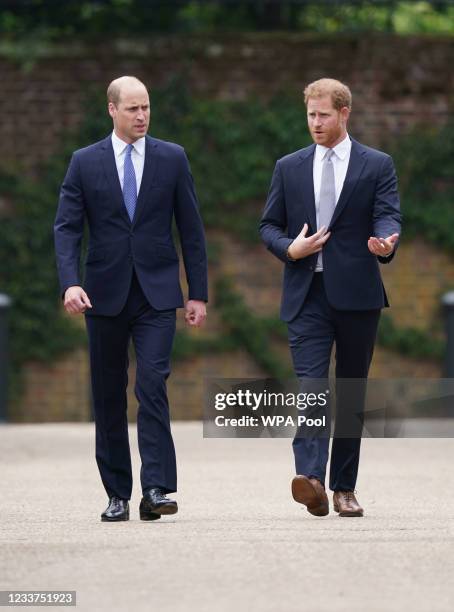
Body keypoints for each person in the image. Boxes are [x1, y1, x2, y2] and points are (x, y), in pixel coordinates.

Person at [54, 76, 208, 522]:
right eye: (133, 108)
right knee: (107, 393)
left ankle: (156, 488)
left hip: (158, 293)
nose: (142, 116)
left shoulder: (172, 158)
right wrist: (69, 282)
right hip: (101, 294)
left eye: (146, 108)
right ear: (112, 110)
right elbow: (66, 228)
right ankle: (118, 493)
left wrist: (196, 293)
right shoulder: (85, 162)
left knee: (152, 384)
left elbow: (192, 230)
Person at [260, 78, 401, 517]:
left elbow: (387, 214)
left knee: (352, 392)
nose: (315, 123)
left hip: (358, 293)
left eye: (323, 115)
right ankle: (312, 479)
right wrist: (290, 248)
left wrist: (384, 242)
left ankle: (344, 488)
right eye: (310, 115)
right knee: (313, 387)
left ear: (344, 114)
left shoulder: (376, 164)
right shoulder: (289, 166)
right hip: (306, 293)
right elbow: (268, 226)